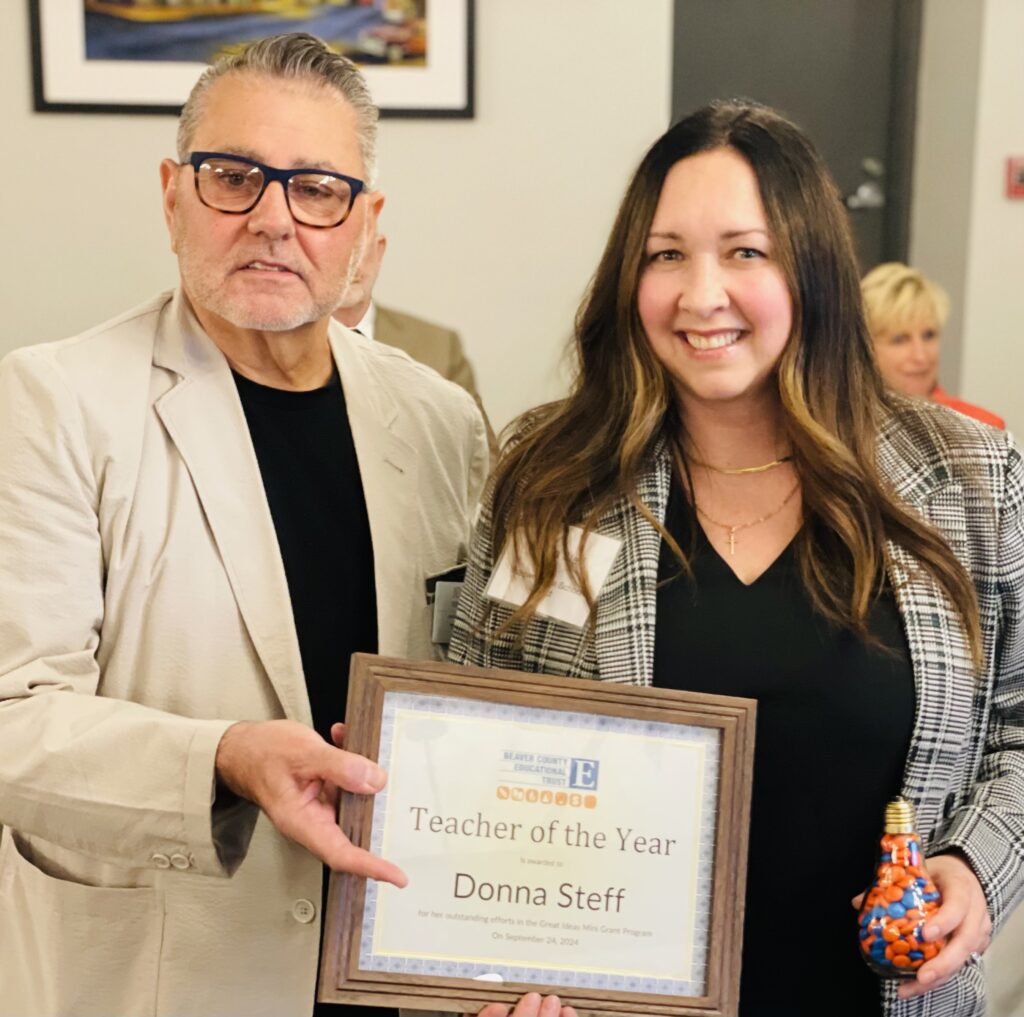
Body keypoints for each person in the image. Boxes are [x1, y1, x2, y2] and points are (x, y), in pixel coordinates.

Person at [450, 100, 1023, 1017]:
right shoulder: (554, 483)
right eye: (665, 253)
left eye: (744, 252)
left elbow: (1019, 724)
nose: (699, 293)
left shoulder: (967, 477)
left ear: (813, 269)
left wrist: (974, 867)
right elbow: (481, 741)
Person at [0, 33, 488, 1017]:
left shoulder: (441, 424)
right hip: (169, 980)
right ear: (174, 193)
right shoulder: (51, 402)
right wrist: (220, 757)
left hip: (394, 970)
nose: (273, 219)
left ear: (364, 222)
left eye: (316, 188)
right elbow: (13, 720)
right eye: (234, 177)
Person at [334, 224, 499, 457]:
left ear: (379, 251)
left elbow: (481, 456)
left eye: (361, 248)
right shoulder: (283, 345)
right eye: (339, 249)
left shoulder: (439, 346)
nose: (353, 264)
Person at [861, 262, 1005, 428]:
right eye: (900, 339)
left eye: (928, 336)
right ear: (865, 348)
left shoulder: (981, 428)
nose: (920, 356)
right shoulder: (841, 430)